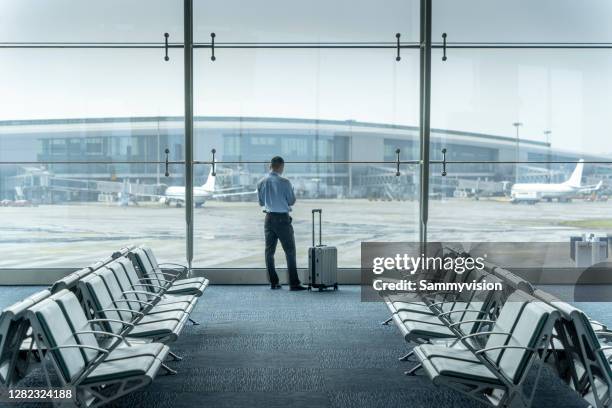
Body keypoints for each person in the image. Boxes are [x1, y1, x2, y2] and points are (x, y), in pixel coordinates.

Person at [257, 156, 306, 291]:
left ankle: (274, 282)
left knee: (269, 252)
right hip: (282, 220)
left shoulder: (261, 182)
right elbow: (291, 201)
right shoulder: (285, 182)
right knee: (290, 251)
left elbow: (261, 203)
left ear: (270, 166)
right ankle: (294, 283)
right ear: (281, 166)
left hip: (268, 218)